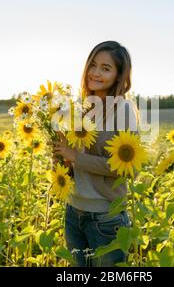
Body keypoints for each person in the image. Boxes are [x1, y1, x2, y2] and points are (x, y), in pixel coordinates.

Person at [52, 41, 139, 267]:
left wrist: (76, 157)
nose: (96, 73)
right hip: (73, 212)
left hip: (105, 217)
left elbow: (127, 167)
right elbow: (75, 162)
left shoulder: (123, 110)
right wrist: (61, 155)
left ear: (119, 76)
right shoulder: (83, 108)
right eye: (93, 65)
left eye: (106, 68)